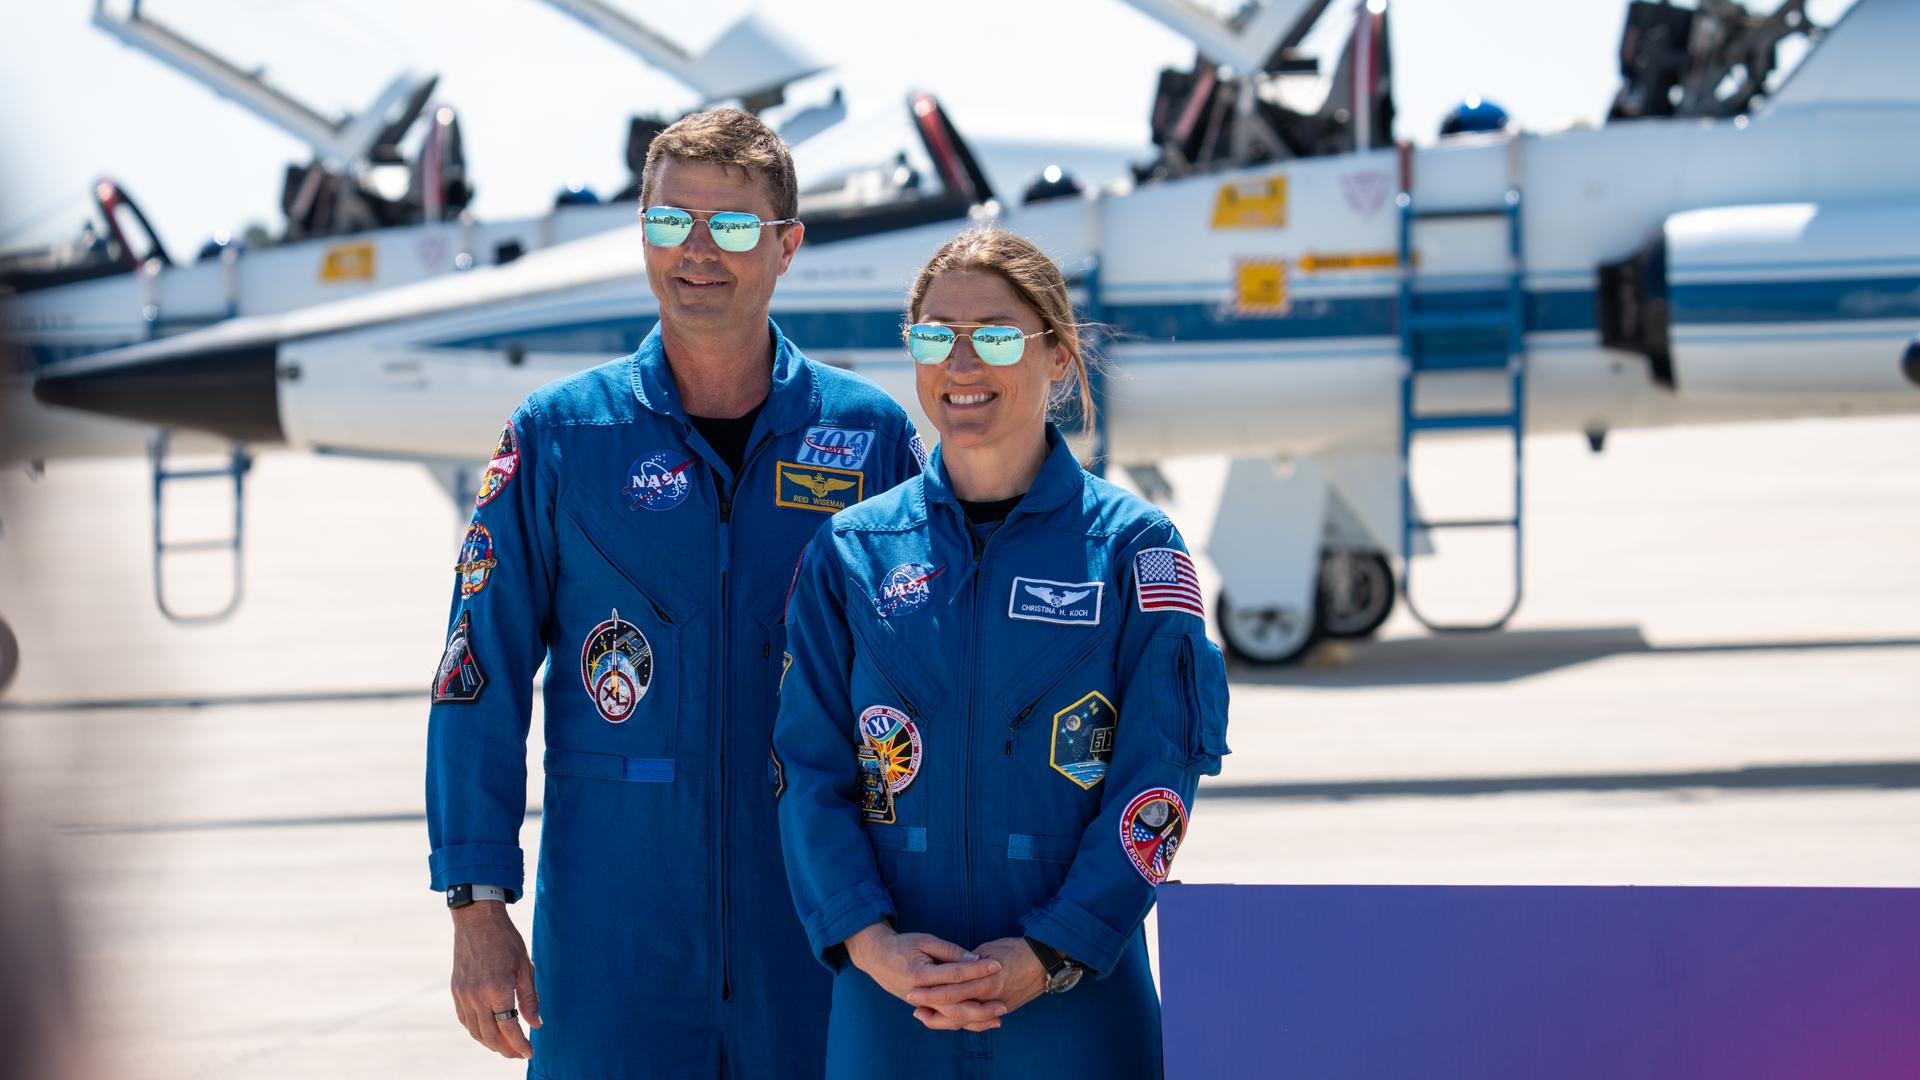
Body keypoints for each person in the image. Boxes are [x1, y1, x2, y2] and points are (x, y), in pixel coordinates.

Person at [424, 107, 924, 1079]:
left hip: (821, 924)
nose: (698, 253)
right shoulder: (563, 439)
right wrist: (477, 905)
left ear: (787, 248)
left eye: (733, 228)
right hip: (615, 933)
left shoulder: (869, 440)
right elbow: (474, 679)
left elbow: (928, 687)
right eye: (670, 224)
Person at [775, 227, 1231, 1078]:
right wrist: (872, 945)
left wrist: (1056, 949)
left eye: (993, 336)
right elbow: (806, 772)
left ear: (1058, 358)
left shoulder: (1136, 550)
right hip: (893, 1006)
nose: (961, 363)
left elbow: (1159, 776)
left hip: (1077, 1005)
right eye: (934, 336)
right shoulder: (851, 553)